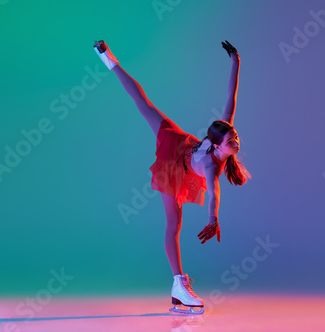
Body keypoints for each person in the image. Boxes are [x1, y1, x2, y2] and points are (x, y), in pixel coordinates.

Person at [94, 39, 250, 314]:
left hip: (185, 145)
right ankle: (179, 284)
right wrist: (213, 219)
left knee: (146, 106)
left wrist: (236, 61)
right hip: (173, 163)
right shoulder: (213, 166)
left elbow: (231, 98)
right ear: (216, 146)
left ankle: (178, 288)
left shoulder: (219, 139)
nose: (235, 142)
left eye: (234, 137)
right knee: (173, 224)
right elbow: (214, 192)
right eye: (231, 141)